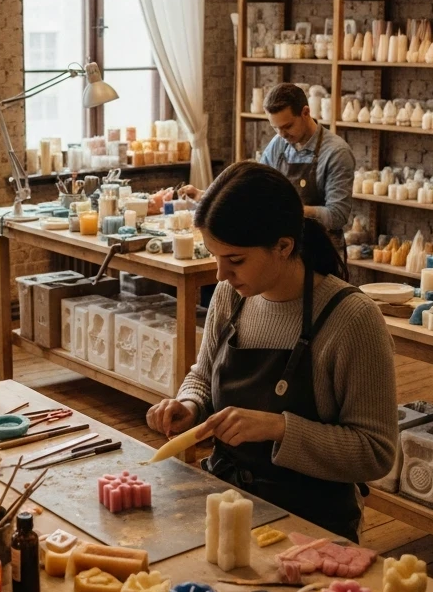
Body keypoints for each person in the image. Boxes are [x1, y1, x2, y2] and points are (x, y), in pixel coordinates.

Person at [146, 161, 396, 541]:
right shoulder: (232, 296)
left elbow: (375, 452)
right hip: (227, 500)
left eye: (235, 260)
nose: (219, 275)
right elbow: (203, 372)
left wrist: (278, 428)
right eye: (214, 257)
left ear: (283, 246)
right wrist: (191, 405)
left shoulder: (352, 319)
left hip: (310, 523)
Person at [179, 83, 354, 255]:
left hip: (323, 251)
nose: (282, 135)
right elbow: (254, 187)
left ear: (305, 113)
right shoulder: (279, 144)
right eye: (275, 128)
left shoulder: (336, 152)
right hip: (286, 250)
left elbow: (336, 216)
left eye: (287, 126)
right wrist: (208, 197)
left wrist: (290, 209)